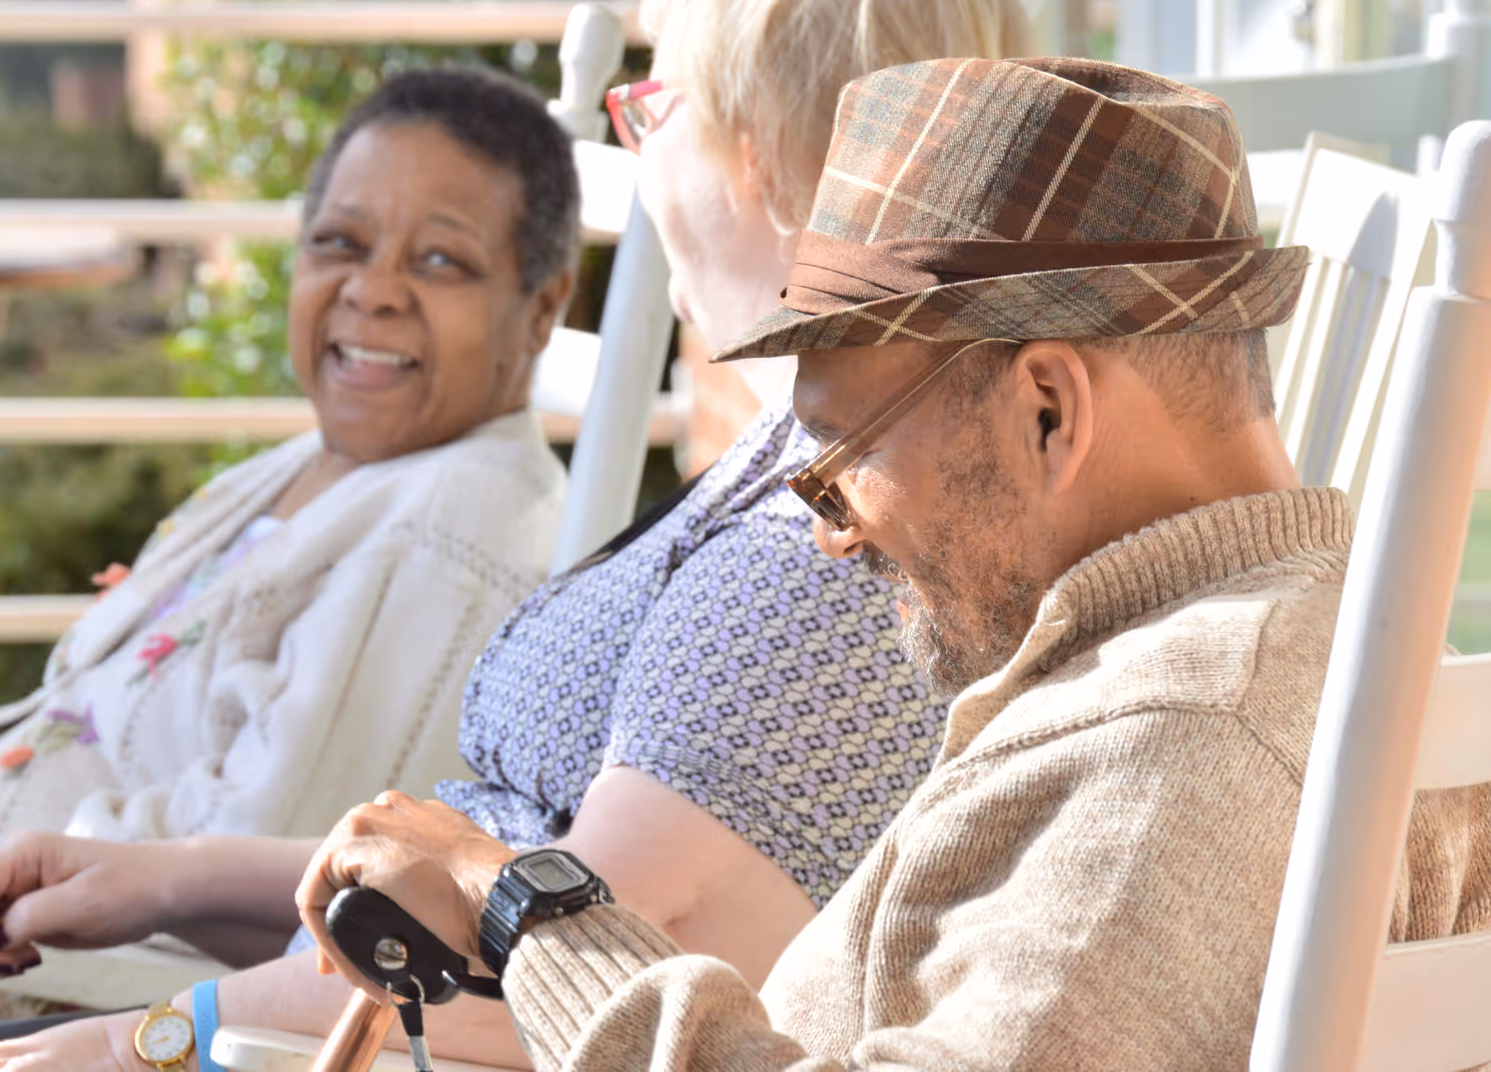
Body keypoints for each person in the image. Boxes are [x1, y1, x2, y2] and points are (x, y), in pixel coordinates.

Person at [0, 0, 1032, 1072]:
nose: (644, 152)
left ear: (756, 151)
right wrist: (174, 878)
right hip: (321, 995)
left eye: (656, 106)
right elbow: (487, 896)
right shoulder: (797, 459)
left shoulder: (834, 544)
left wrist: (147, 1036)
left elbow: (568, 972)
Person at [297, 56, 1491, 1071]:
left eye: (840, 459)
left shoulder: (1188, 738)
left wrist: (527, 906)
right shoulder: (1294, 654)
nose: (832, 528)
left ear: (1046, 410)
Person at [0, 65, 579, 862]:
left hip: (27, 953)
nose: (372, 291)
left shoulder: (454, 528)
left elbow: (263, 849)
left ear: (542, 308)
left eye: (441, 261)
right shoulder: (307, 468)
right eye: (340, 243)